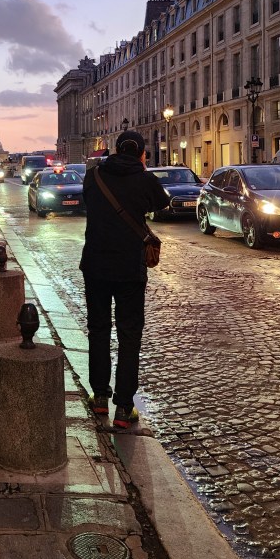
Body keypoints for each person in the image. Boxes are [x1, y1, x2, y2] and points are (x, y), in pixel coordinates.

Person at [79, 130, 170, 429]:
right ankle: (124, 407)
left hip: (95, 265)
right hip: (130, 269)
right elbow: (162, 202)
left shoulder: (95, 176)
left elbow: (88, 202)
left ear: (115, 150)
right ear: (142, 154)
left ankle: (100, 397)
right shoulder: (144, 179)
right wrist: (140, 174)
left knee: (99, 329)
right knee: (130, 335)